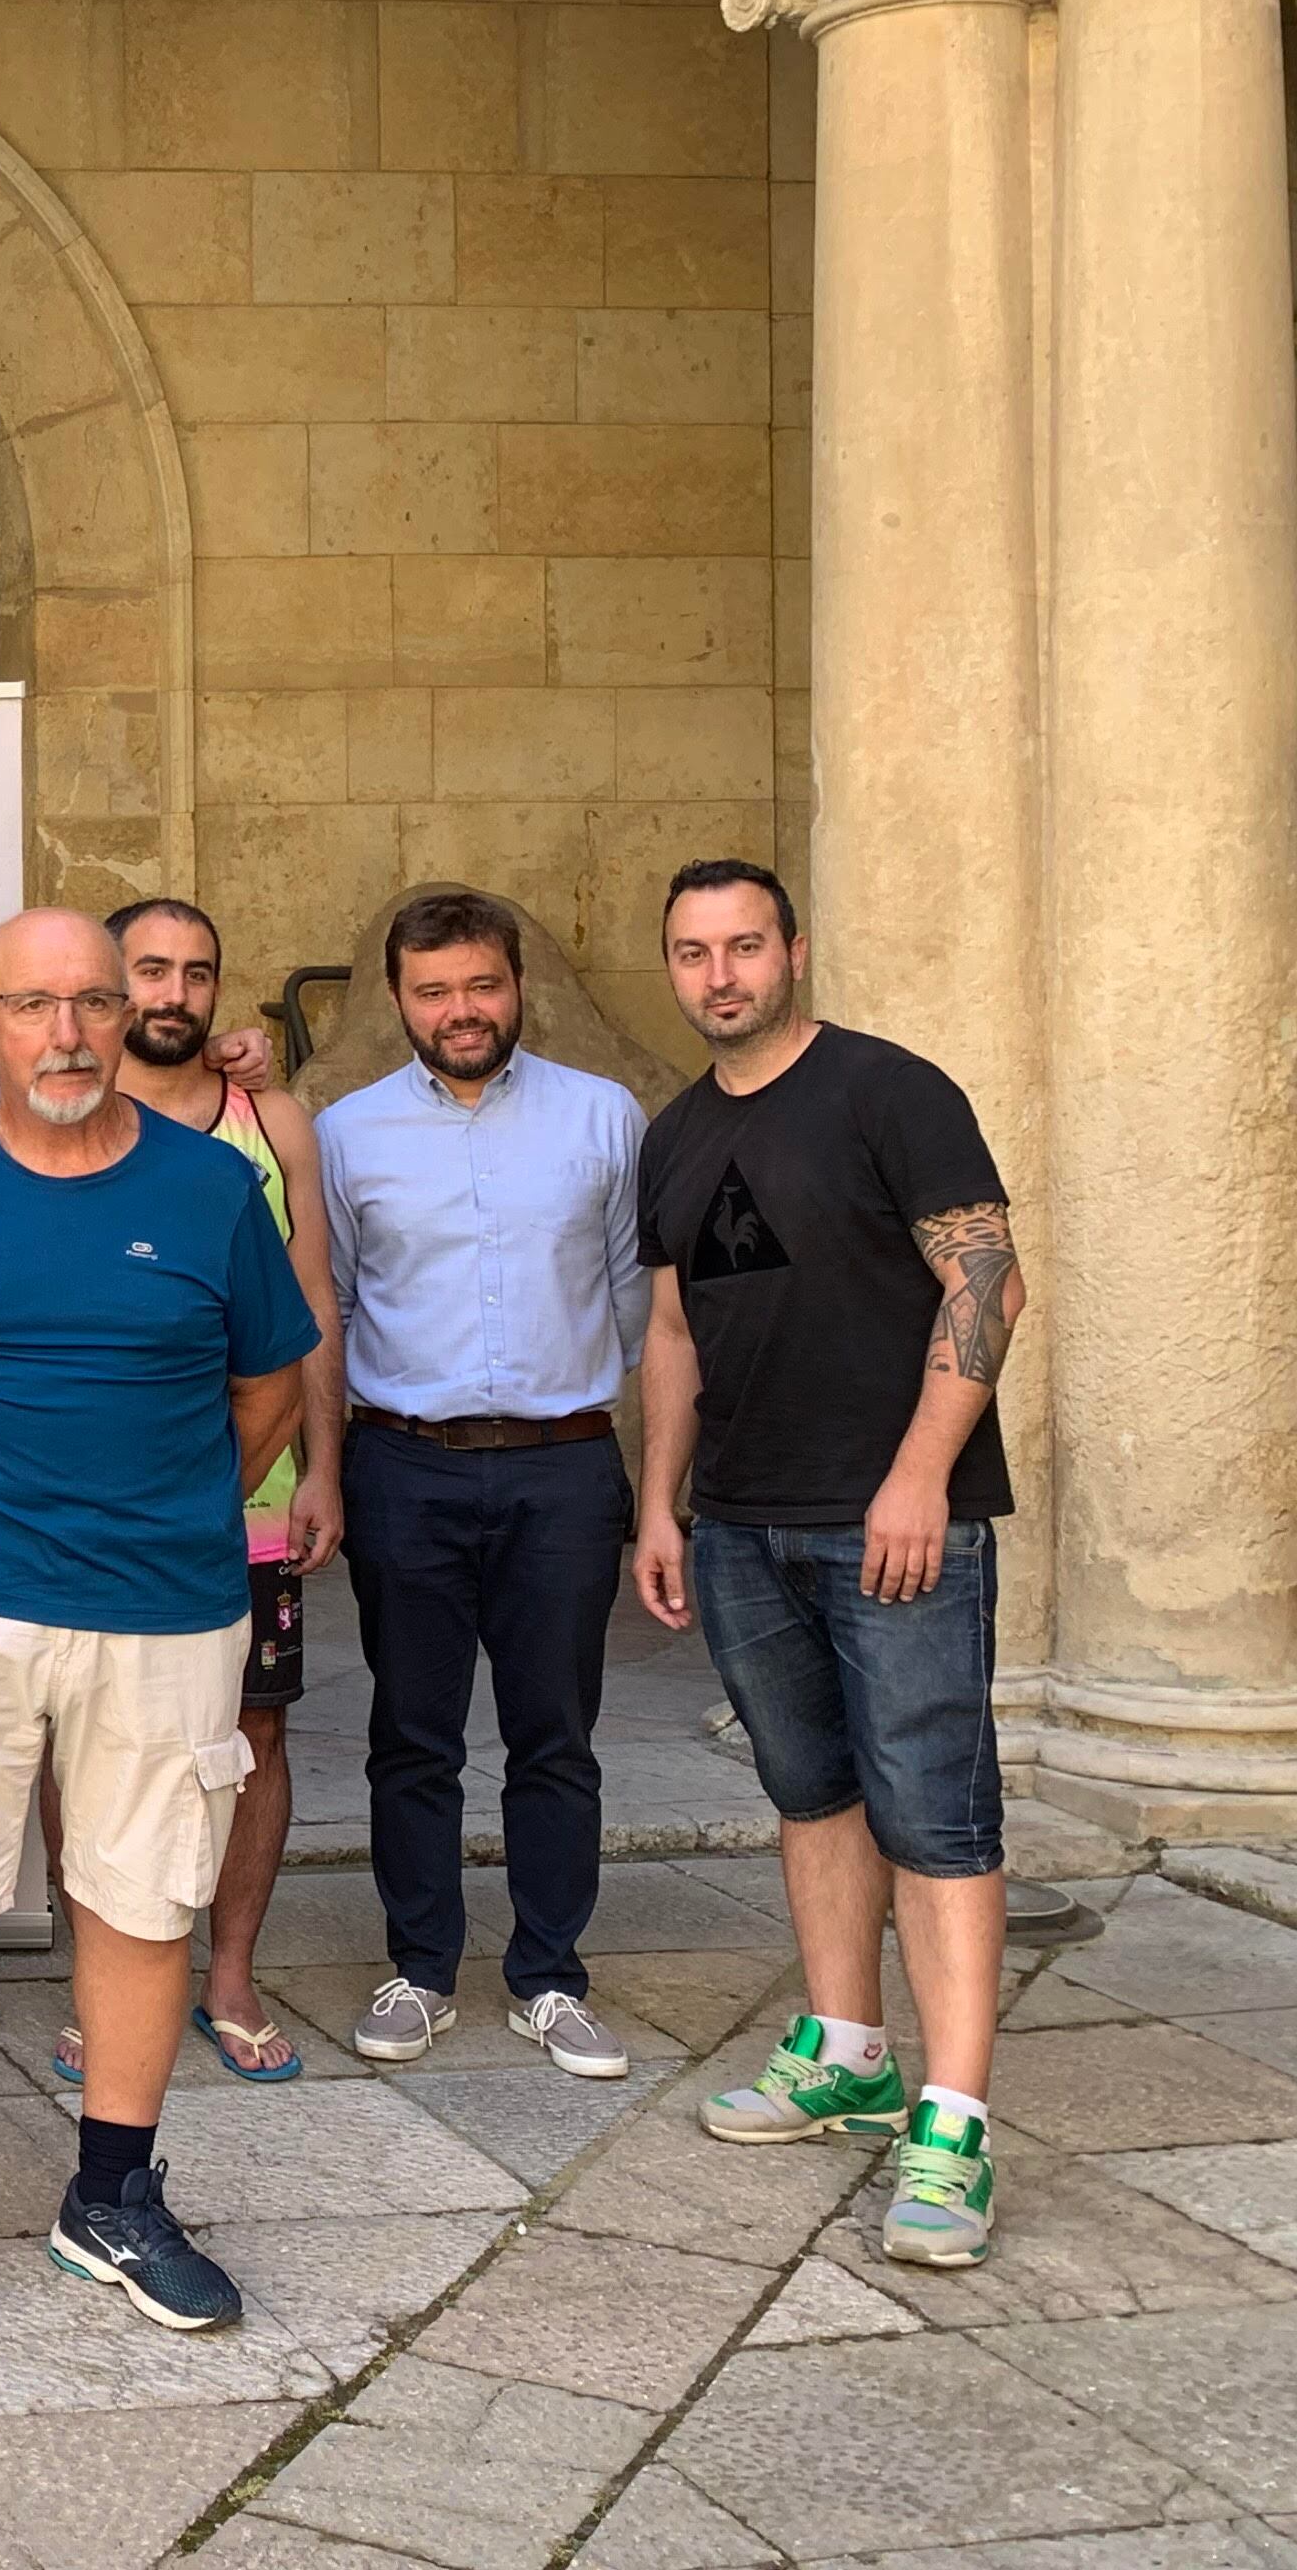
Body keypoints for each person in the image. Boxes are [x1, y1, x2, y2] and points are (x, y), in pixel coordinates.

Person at [0, 910, 315, 2346]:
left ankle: (112, 2194)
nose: (69, 1033)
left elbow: (270, 1390)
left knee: (144, 1895)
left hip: (163, 1612)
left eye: (95, 1003)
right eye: (34, 1007)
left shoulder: (215, 1186)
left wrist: (162, 1513)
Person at [636, 857, 1024, 2270]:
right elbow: (676, 1332)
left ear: (792, 951)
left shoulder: (888, 1090)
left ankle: (952, 2126)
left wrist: (919, 1476)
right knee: (810, 1792)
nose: (720, 974)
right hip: (740, 1521)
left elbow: (988, 1280)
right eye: (692, 953)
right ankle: (847, 2051)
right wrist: (662, 1504)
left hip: (894, 1526)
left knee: (935, 1814)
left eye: (744, 946)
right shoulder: (672, 1135)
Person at [311, 887, 652, 2082]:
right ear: (398, 1000)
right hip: (407, 1461)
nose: (462, 1010)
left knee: (555, 1735)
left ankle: (552, 1977)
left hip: (565, 1466)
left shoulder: (603, 1117)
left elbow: (633, 1298)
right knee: (411, 1736)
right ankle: (419, 1967)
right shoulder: (346, 1133)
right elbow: (335, 1305)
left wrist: (645, 1480)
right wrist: (330, 1472)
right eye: (435, 991)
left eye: (482, 985)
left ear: (518, 985)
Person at [37, 896, 345, 2089]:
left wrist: (323, 1465)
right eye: (148, 971)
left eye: (197, 974)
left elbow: (313, 1305)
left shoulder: (270, 1121)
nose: (174, 994)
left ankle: (228, 1975)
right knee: (83, 1741)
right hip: (92, 1502)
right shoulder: (54, 1120)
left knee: (253, 1731)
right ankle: (94, 1982)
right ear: (109, 990)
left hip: (248, 1497)